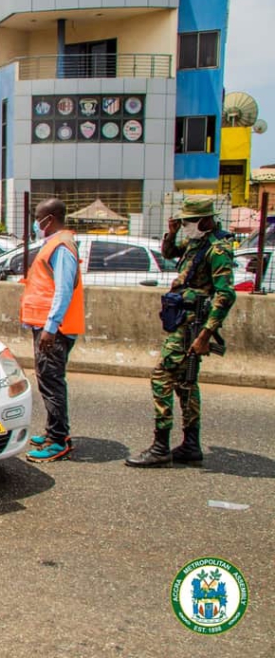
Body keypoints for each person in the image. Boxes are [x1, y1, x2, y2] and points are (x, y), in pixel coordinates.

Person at [126, 198, 236, 468]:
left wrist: (205, 335)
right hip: (182, 321)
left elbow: (226, 294)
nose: (185, 225)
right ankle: (190, 445)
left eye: (188, 221)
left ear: (206, 220)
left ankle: (161, 446)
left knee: (161, 377)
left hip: (193, 325)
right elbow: (169, 253)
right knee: (185, 384)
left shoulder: (217, 249)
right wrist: (172, 231)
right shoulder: (196, 243)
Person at [20, 198, 85, 463]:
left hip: (54, 329)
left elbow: (63, 289)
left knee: (52, 382)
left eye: (38, 217)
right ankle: (53, 432)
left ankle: (58, 439)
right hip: (48, 326)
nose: (35, 223)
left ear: (50, 219)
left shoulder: (61, 247)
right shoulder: (54, 245)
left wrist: (50, 326)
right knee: (47, 380)